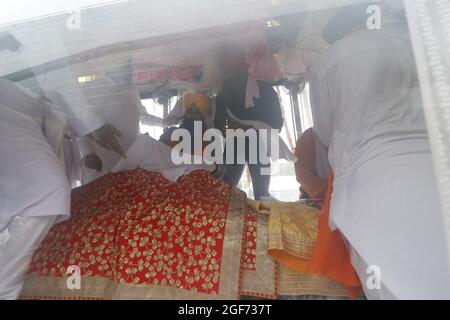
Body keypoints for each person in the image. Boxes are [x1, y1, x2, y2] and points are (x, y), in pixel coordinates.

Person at [309, 3, 450, 299]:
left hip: (374, 182)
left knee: (394, 282)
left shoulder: (333, 58)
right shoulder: (427, 46)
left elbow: (325, 132)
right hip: (439, 168)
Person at [0, 79, 71, 299]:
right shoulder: (12, 87)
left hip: (34, 194)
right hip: (43, 189)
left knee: (3, 283)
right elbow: (57, 119)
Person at [294, 127, 328, 200]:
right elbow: (302, 175)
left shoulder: (348, 136)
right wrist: (331, 188)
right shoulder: (307, 138)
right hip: (314, 198)